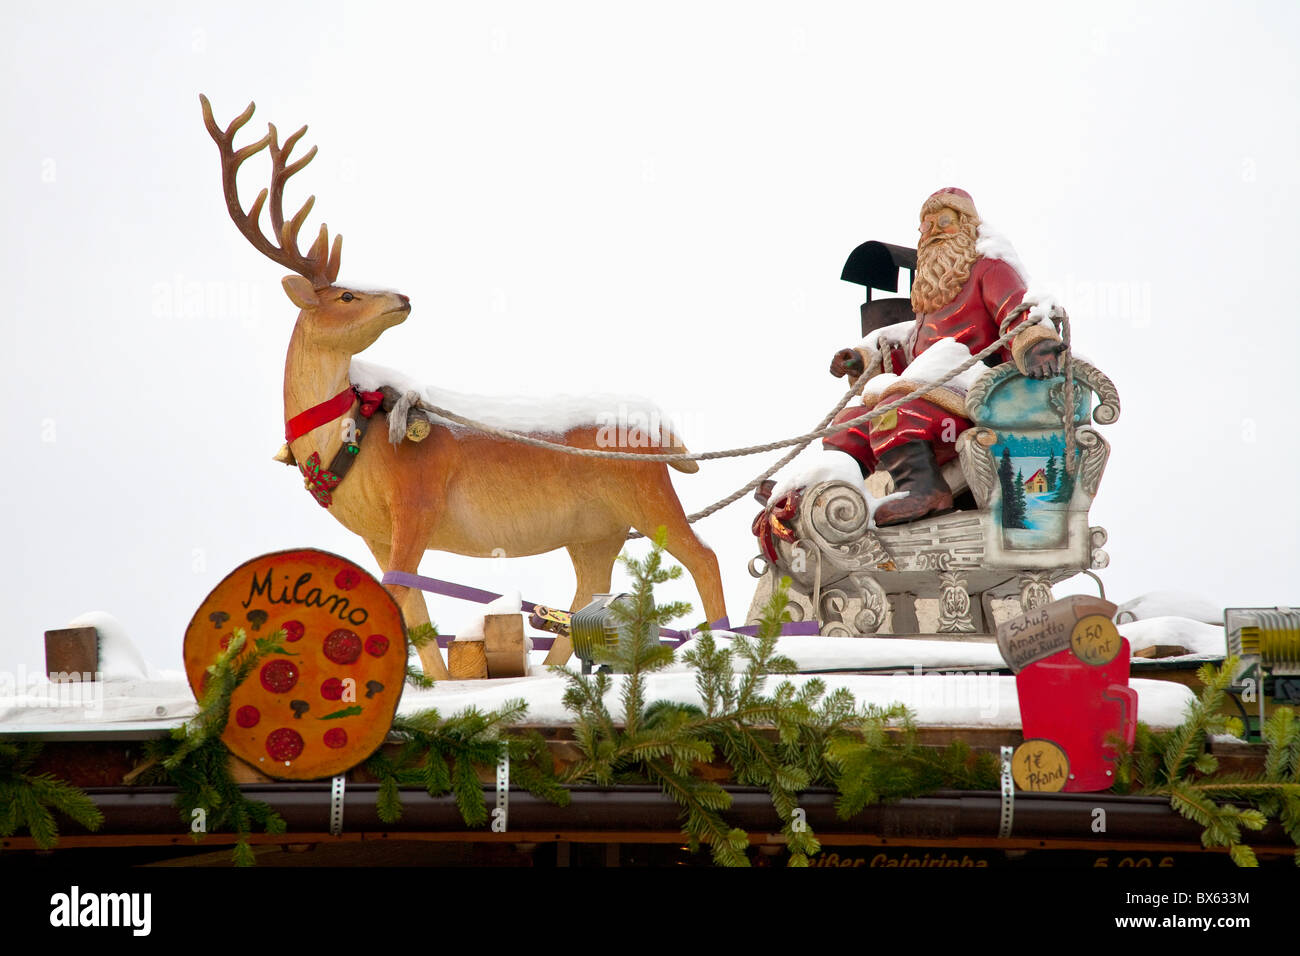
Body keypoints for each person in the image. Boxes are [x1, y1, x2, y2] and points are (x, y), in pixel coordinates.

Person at [824, 187, 1062, 525]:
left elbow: (1018, 309)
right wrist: (863, 359)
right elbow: (910, 349)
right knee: (850, 421)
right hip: (930, 388)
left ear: (966, 226)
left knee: (899, 409)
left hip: (976, 391)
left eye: (944, 221)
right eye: (926, 225)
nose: (934, 231)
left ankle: (924, 490)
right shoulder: (930, 295)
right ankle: (828, 494)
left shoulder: (989, 268)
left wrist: (1036, 343)